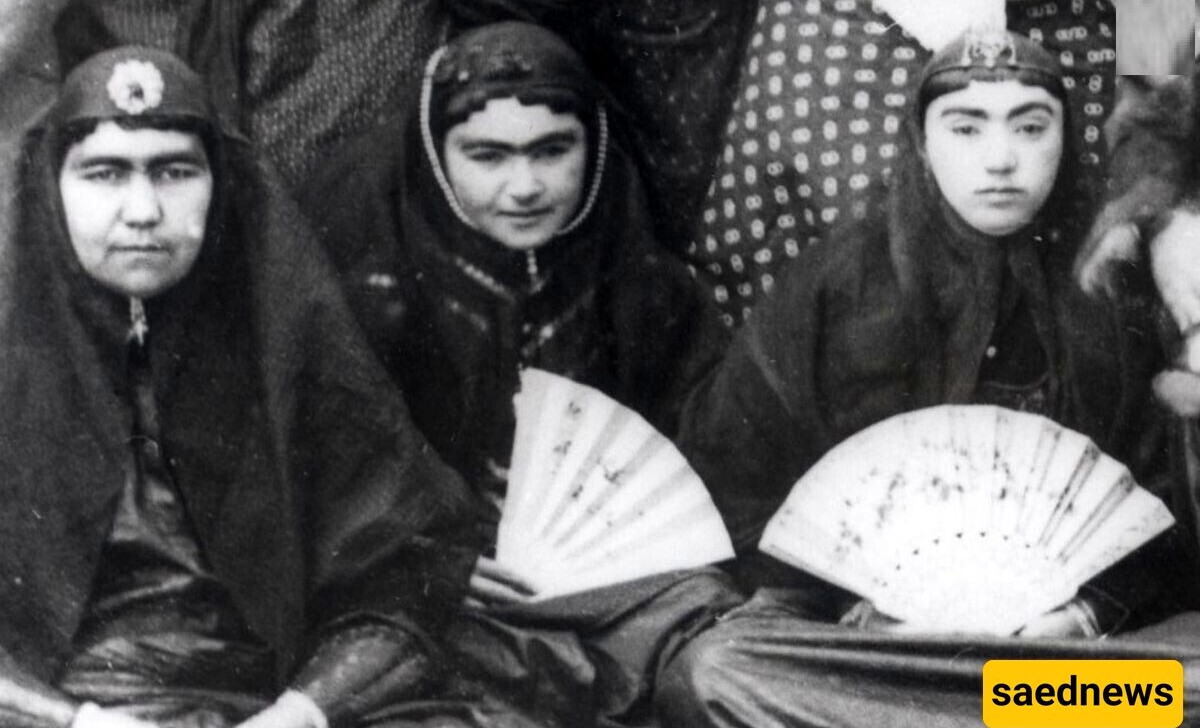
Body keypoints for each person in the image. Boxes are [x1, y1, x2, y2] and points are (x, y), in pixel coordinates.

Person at [656, 27, 1200, 727]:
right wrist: (848, 604)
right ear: (921, 139)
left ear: (1066, 140)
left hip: (1054, 671)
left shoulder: (1101, 294)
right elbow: (734, 477)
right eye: (966, 128)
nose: (1001, 160)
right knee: (713, 670)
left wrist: (1081, 615)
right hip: (872, 660)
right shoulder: (833, 285)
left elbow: (1157, 515)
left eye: (1031, 127)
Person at [0, 46, 484, 728]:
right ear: (52, 186)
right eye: (104, 173)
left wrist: (301, 713)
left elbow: (402, 581)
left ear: (219, 184)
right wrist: (77, 722)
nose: (142, 210)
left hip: (263, 705)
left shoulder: (289, 345)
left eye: (174, 172)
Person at [301, 22, 742, 728]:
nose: (526, 186)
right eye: (488, 156)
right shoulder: (374, 293)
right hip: (447, 604)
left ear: (591, 149)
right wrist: (423, 554)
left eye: (552, 151)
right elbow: (329, 482)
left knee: (720, 648)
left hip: (622, 593)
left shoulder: (649, 293)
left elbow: (707, 464)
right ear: (436, 159)